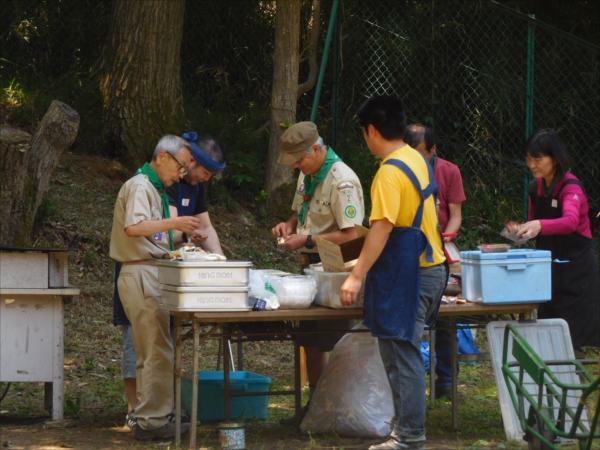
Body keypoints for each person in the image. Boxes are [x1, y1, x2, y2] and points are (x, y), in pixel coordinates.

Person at [340, 95, 448, 450]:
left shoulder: (388, 172)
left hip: (412, 274)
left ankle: (409, 437)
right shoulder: (416, 158)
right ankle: (405, 430)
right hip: (431, 268)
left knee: (403, 357)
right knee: (404, 354)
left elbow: (384, 228)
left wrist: (356, 275)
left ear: (371, 130)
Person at [113, 132, 227, 430]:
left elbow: (162, 235)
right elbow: (134, 227)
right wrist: (176, 223)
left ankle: (151, 414)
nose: (181, 173)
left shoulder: (156, 188)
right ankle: (153, 420)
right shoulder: (140, 185)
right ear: (162, 157)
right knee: (157, 351)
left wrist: (189, 236)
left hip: (152, 270)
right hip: (142, 271)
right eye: (179, 165)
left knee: (153, 350)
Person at [271, 121, 365, 425]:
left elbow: (353, 235)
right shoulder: (308, 173)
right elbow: (300, 213)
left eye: (299, 159)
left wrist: (307, 240)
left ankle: (339, 409)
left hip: (337, 270)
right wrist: (289, 226)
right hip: (310, 267)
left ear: (316, 148)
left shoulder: (342, 180)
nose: (297, 165)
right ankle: (317, 406)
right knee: (310, 340)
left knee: (335, 342)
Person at [516, 128, 600, 352]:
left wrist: (540, 225)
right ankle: (553, 386)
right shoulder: (536, 187)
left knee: (573, 343)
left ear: (555, 158)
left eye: (538, 159)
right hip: (548, 273)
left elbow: (571, 221)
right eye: (529, 158)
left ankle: (575, 386)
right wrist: (522, 232)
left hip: (576, 275)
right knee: (549, 340)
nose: (532, 164)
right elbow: (534, 223)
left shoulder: (571, 187)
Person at [404, 124, 466, 400]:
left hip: (442, 250)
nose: (417, 159)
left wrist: (444, 237)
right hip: (410, 253)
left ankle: (447, 382)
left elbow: (455, 213)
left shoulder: (449, 171)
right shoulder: (399, 170)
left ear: (433, 150)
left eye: (422, 154)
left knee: (448, 315)